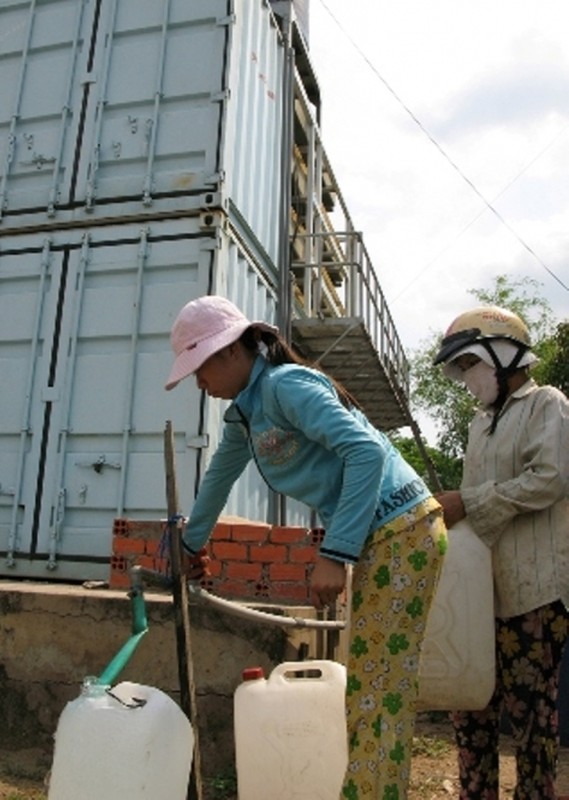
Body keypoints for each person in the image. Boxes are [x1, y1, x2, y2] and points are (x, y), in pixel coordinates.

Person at [165, 294, 447, 799]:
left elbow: (365, 452)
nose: (199, 384)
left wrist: (335, 554)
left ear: (230, 350)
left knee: (376, 693)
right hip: (383, 537)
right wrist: (188, 545)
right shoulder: (247, 416)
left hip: (402, 530)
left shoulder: (285, 386)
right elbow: (217, 482)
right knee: (372, 690)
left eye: (199, 370)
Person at [433, 305, 569, 800]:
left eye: (471, 365)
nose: (467, 379)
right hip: (481, 594)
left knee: (531, 717)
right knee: (470, 708)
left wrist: (467, 501)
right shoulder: (479, 425)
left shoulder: (547, 404)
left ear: (504, 353)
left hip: (535, 592)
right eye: (463, 369)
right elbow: (473, 506)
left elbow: (549, 480)